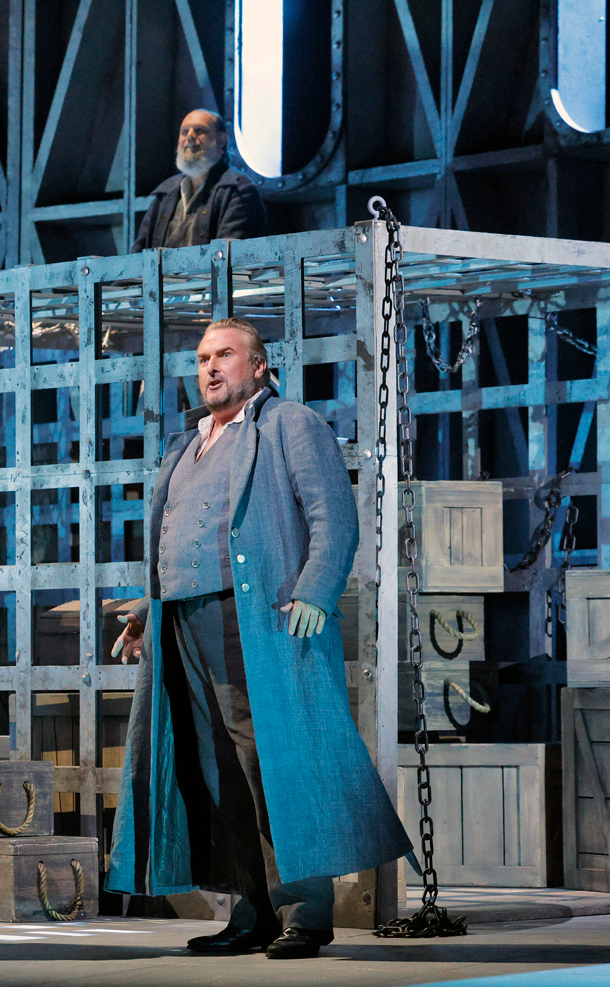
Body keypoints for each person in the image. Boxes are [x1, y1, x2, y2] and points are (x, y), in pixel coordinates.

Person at [104, 320, 410, 959]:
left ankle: (304, 912)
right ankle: (251, 910)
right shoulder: (187, 444)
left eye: (225, 356)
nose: (211, 368)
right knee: (216, 767)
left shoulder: (288, 424)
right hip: (186, 621)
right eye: (203, 358)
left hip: (256, 620)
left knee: (268, 760)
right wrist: (149, 613)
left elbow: (334, 518)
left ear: (260, 368)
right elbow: (177, 544)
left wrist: (316, 592)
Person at [130, 109, 266, 251]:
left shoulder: (238, 189)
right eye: (184, 132)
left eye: (200, 131)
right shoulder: (164, 194)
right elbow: (138, 255)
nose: (190, 137)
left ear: (221, 140)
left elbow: (230, 258)